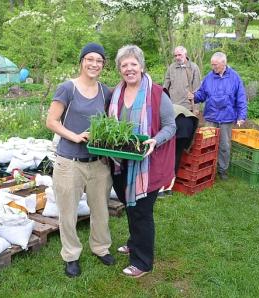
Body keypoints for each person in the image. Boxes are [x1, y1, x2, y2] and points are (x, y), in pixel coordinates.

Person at [46, 42, 114, 278]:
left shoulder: (106, 91)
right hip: (69, 162)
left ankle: (100, 247)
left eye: (99, 61)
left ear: (103, 65)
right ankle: (71, 255)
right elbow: (52, 121)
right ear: (82, 62)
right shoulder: (67, 88)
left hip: (98, 162)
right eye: (90, 59)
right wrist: (75, 136)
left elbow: (113, 120)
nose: (94, 64)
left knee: (101, 209)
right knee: (68, 212)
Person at [108, 45, 176, 278]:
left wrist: (155, 140)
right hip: (120, 162)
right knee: (130, 206)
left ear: (141, 66)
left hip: (147, 163)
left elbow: (171, 126)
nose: (129, 69)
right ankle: (134, 242)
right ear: (119, 69)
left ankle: (142, 261)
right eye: (124, 65)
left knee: (142, 212)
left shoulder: (157, 94)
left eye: (133, 64)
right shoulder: (115, 93)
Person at [188, 51, 247, 180]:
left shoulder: (235, 77)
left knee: (224, 146)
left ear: (223, 63)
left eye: (215, 65)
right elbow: (202, 94)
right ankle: (206, 169)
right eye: (212, 64)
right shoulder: (209, 77)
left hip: (227, 118)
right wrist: (194, 97)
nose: (213, 67)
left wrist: (241, 116)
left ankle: (222, 170)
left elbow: (241, 98)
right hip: (211, 118)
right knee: (207, 144)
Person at [163, 46, 201, 115]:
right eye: (175, 55)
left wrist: (196, 108)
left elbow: (197, 89)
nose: (177, 57)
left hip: (188, 107)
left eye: (179, 55)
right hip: (173, 106)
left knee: (187, 125)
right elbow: (165, 87)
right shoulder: (171, 67)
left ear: (185, 55)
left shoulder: (193, 67)